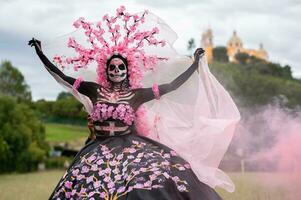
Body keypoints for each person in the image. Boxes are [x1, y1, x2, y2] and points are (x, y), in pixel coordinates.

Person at [29, 6, 240, 199]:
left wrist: (195, 65)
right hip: (97, 149)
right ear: (106, 70)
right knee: (82, 188)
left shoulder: (136, 94)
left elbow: (172, 85)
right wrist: (40, 53)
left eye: (121, 68)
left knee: (151, 181)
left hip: (129, 146)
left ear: (128, 70)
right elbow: (62, 77)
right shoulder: (94, 89)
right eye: (113, 68)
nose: (117, 71)